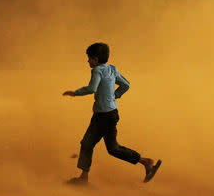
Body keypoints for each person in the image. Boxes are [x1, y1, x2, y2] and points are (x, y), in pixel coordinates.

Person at [63, 43, 161, 184]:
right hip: (111, 113)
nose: (88, 61)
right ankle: (146, 162)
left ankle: (83, 178)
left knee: (87, 143)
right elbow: (126, 84)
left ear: (95, 59)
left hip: (102, 116)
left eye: (89, 58)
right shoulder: (112, 69)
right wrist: (114, 96)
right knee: (112, 148)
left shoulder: (97, 71)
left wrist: (75, 93)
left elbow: (92, 88)